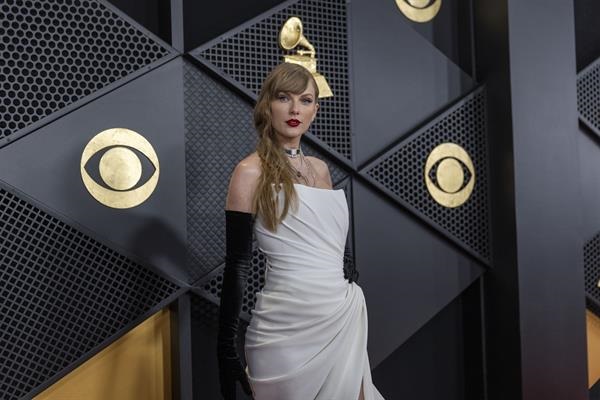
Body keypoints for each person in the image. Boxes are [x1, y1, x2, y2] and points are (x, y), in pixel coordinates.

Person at [217, 62, 384, 400]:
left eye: (305, 100)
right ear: (268, 105)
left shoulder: (321, 170)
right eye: (284, 98)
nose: (295, 109)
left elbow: (326, 236)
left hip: (340, 316)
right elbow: (238, 263)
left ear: (315, 110)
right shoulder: (249, 172)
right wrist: (225, 346)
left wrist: (344, 260)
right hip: (286, 329)